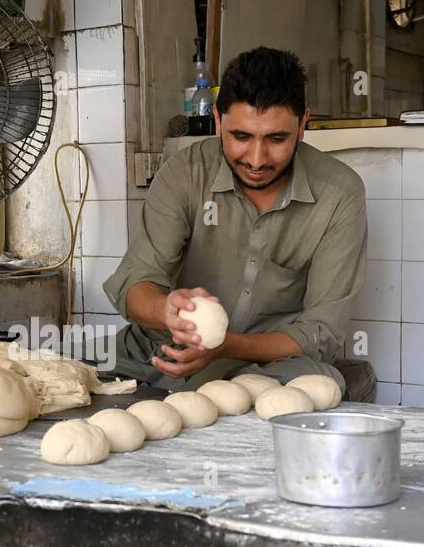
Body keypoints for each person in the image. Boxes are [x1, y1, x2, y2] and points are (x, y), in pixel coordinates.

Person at [101, 46, 367, 393]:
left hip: (263, 366)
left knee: (317, 382)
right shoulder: (185, 173)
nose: (257, 159)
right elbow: (135, 282)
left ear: (303, 124)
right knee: (45, 368)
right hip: (159, 351)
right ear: (217, 119)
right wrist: (166, 310)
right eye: (241, 137)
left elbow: (321, 331)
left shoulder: (340, 193)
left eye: (276, 139)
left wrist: (225, 347)